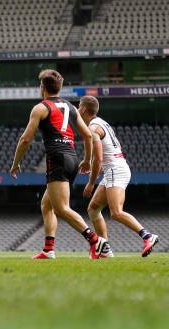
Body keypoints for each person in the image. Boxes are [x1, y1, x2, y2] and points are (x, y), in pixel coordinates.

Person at [10, 69, 108, 259]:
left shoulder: (41, 108)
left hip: (57, 158)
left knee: (62, 208)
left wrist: (16, 163)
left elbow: (25, 139)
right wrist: (86, 160)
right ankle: (48, 249)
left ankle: (95, 241)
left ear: (43, 88)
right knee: (47, 205)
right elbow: (87, 135)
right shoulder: (71, 107)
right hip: (71, 158)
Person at [78, 96, 159, 257]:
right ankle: (105, 248)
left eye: (79, 106)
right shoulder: (102, 123)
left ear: (84, 109)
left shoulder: (93, 128)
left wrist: (90, 183)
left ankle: (147, 236)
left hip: (116, 169)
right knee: (93, 209)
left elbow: (98, 158)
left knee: (116, 212)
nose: (78, 109)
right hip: (114, 168)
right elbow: (117, 145)